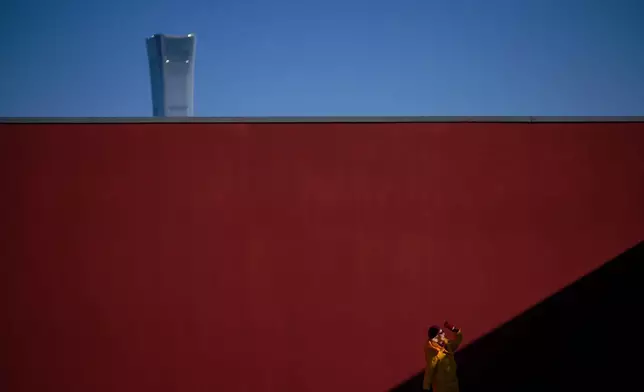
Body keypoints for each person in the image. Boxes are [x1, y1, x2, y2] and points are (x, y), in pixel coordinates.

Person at [423, 321, 463, 392]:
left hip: (453, 385)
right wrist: (426, 387)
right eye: (441, 332)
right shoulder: (434, 353)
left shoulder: (445, 343)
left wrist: (455, 330)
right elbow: (430, 370)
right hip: (443, 388)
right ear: (435, 337)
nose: (444, 333)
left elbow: (456, 343)